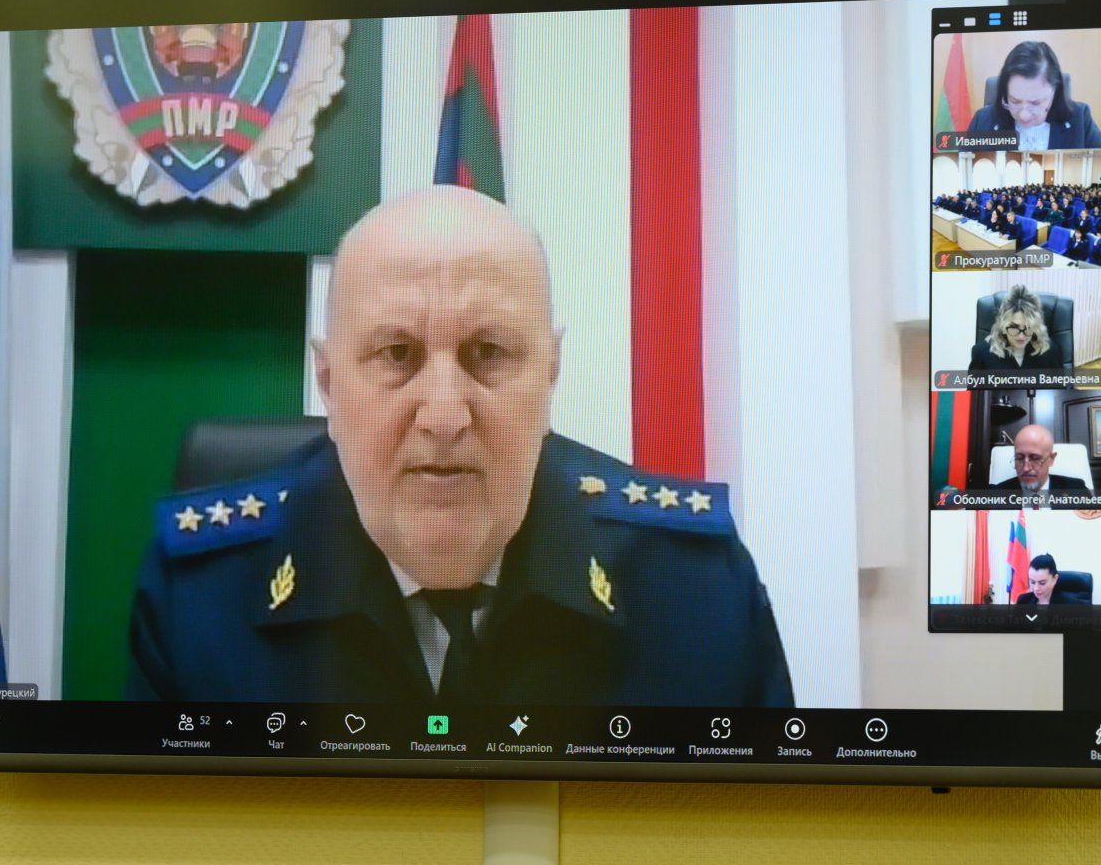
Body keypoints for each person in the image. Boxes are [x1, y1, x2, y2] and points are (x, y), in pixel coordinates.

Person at [126, 185, 794, 706]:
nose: (445, 416)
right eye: (397, 353)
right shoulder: (199, 600)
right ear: (329, 385)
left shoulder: (697, 592)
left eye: (489, 352)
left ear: (550, 374)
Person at [963, 41, 1101, 150]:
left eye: (1035, 103)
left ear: (1055, 92)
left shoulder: (1080, 118)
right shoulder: (982, 121)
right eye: (1015, 101)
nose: (1024, 116)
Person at [968, 285, 1064, 372]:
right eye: (1014, 328)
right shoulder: (981, 354)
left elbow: (1060, 386)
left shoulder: (1051, 352)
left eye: (1028, 328)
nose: (1021, 336)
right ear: (1003, 326)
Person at [990, 425, 1088, 506]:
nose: (1026, 468)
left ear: (1051, 459)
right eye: (1019, 458)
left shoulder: (1077, 490)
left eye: (1034, 458)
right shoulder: (996, 495)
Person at [1014, 554, 1086, 606]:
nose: (1036, 588)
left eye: (1042, 583)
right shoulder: (1023, 601)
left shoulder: (1072, 605)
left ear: (1055, 579)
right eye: (1032, 582)